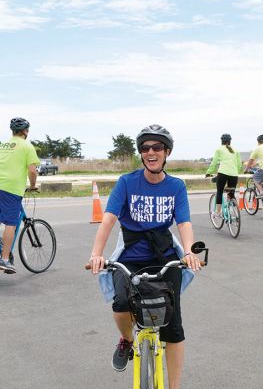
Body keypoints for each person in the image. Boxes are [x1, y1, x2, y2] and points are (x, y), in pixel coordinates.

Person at [87, 124, 201, 389]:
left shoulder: (176, 186)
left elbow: (184, 223)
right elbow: (108, 219)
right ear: (141, 153)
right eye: (145, 148)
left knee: (173, 326)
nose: (151, 152)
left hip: (165, 256)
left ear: (167, 152)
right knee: (121, 303)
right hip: (130, 256)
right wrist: (96, 254)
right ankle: (127, 339)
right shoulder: (127, 182)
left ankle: (174, 387)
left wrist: (188, 252)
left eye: (157, 147)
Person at [0, 117, 40, 273]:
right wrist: (32, 186)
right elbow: (32, 170)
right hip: (11, 189)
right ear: (25, 131)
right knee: (11, 223)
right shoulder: (26, 146)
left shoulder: (3, 145)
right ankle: (4, 259)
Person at [205, 133, 242, 217]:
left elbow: (214, 162)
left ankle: (218, 212)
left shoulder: (219, 149)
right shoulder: (235, 150)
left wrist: (208, 172)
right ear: (230, 141)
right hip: (234, 174)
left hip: (223, 173)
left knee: (220, 191)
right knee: (231, 194)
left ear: (221, 141)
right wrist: (235, 171)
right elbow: (239, 164)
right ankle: (236, 214)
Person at [244, 134, 263, 198]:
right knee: (262, 179)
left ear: (258, 142)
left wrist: (246, 169)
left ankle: (261, 192)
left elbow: (251, 161)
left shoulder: (257, 149)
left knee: (255, 178)